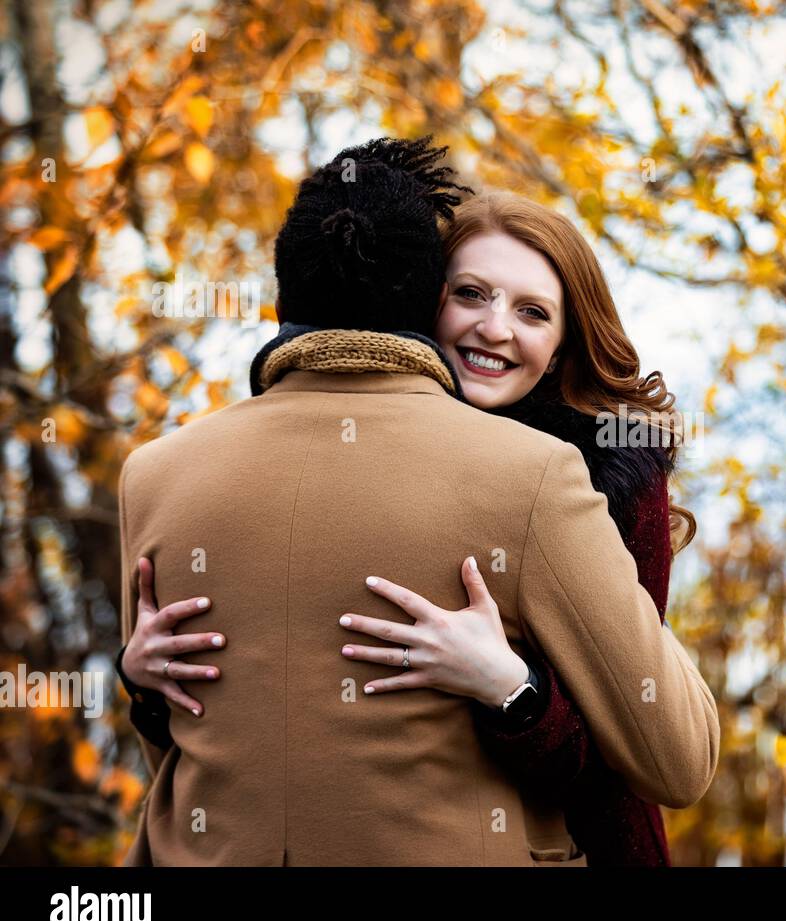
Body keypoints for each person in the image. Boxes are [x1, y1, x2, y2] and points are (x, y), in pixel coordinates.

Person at [115, 136, 719, 865]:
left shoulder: (596, 474)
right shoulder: (527, 476)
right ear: (421, 299)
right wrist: (141, 682)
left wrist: (512, 687)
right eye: (469, 294)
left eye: (533, 312)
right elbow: (209, 733)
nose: (494, 327)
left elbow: (652, 762)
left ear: (563, 345)